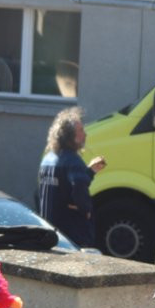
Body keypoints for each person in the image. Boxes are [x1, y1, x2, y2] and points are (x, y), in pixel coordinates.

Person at [37, 106, 106, 248]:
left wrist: (90, 171)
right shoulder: (73, 161)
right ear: (70, 136)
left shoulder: (48, 159)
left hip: (49, 234)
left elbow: (62, 188)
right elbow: (79, 187)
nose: (85, 134)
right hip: (71, 236)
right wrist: (86, 210)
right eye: (80, 130)